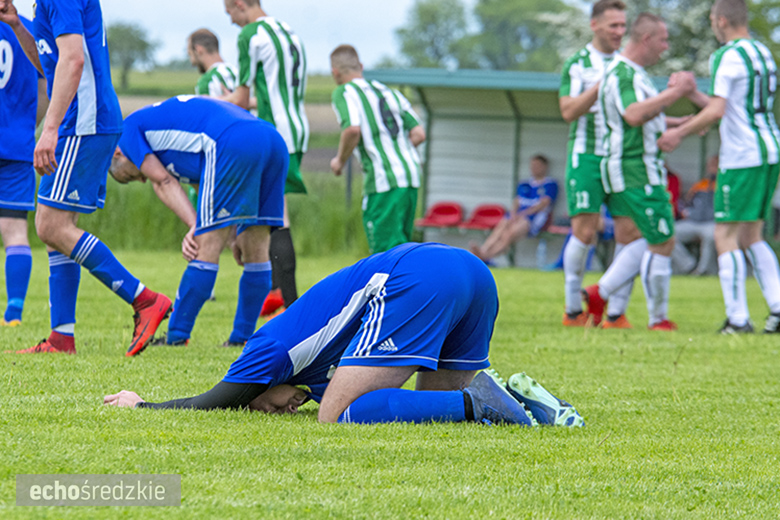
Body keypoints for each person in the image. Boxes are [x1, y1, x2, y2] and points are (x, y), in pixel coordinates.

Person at [104, 243, 584, 428]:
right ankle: (523, 402)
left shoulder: (265, 351)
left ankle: (482, 401)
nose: (284, 407)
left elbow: (215, 400)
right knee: (443, 409)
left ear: (258, 383)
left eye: (265, 403)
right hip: (470, 272)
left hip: (419, 275)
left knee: (338, 415)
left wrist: (142, 405)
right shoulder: (302, 377)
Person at [0, 0, 171, 355]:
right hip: (83, 121)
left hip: (82, 122)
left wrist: (49, 130)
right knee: (57, 229)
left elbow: (73, 59)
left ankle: (144, 299)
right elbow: (49, 65)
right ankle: (62, 337)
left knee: (50, 226)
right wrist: (18, 26)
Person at [109, 96, 287, 347]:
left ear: (118, 153)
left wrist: (196, 226)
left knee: (205, 246)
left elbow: (162, 181)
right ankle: (242, 339)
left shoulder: (126, 132)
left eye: (131, 175)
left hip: (229, 141)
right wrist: (234, 236)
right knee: (256, 247)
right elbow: (208, 185)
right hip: (271, 140)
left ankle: (177, 336)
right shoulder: (174, 141)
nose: (141, 180)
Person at [657, 0, 780, 334]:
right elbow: (729, 107)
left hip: (741, 155)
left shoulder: (726, 55)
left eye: (712, 20)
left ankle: (738, 319)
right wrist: (695, 94)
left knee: (724, 233)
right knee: (752, 234)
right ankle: (778, 308)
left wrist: (677, 133)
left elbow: (717, 111)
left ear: (722, 21)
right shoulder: (762, 52)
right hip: (769, 148)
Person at [582, 13, 698, 331]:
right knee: (663, 239)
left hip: (626, 167)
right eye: (662, 39)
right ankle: (656, 319)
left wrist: (681, 124)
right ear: (646, 39)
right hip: (637, 169)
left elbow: (640, 118)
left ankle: (610, 308)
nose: (665, 47)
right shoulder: (624, 73)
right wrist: (676, 92)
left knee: (634, 238)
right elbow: (633, 114)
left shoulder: (633, 74)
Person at [559, 0, 644, 330]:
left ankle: (614, 313)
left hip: (622, 158)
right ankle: (571, 310)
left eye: (624, 26)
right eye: (613, 26)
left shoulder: (629, 65)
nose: (619, 32)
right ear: (595, 25)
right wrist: (601, 85)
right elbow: (567, 111)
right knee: (585, 231)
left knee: (630, 232)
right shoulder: (578, 64)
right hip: (587, 158)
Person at [222, 0, 309, 317]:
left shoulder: (250, 35)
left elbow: (241, 99)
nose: (232, 21)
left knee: (277, 217)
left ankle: (291, 303)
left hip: (274, 134)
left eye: (229, 13)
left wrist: (207, 102)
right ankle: (277, 296)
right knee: (272, 213)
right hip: (297, 128)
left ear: (240, 4)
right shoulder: (288, 31)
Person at [329, 44, 425, 254]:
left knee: (385, 252)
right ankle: (407, 285)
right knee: (403, 248)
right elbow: (419, 133)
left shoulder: (344, 92)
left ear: (335, 72)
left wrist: (340, 160)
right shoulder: (388, 92)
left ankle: (392, 288)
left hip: (384, 180)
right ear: (360, 66)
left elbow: (352, 130)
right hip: (410, 176)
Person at [0, 14, 47, 326]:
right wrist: (31, 126)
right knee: (15, 231)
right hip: (17, 143)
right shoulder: (30, 28)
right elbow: (47, 82)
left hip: (17, 143)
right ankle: (14, 313)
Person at [469, 155, 558, 263]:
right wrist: (513, 213)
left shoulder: (550, 184)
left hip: (533, 218)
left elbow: (544, 203)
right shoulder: (524, 184)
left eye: (537, 165)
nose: (534, 168)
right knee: (501, 227)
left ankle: (486, 256)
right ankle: (483, 251)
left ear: (545, 167)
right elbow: (516, 201)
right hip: (518, 215)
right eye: (532, 165)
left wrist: (524, 213)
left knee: (508, 234)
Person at [670, 156, 718, 276]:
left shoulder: (725, 185)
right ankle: (689, 267)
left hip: (712, 223)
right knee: (668, 234)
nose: (713, 168)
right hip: (693, 222)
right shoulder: (700, 185)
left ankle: (702, 271)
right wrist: (686, 212)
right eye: (711, 165)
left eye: (716, 165)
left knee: (710, 236)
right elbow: (685, 203)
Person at [188, 28, 238, 98]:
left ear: (198, 49)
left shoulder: (207, 81)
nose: (192, 62)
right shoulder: (237, 72)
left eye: (190, 54)